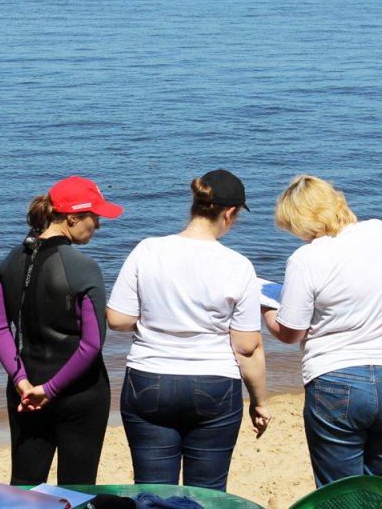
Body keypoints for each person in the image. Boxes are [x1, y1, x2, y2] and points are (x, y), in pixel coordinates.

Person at [106, 169, 270, 492]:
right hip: (215, 384)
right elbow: (247, 346)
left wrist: (154, 320)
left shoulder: (147, 250)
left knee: (153, 493)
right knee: (206, 493)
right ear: (229, 213)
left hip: (148, 378)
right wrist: (259, 401)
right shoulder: (238, 266)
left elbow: (117, 319)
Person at [263, 175, 382, 509]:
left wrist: (266, 309)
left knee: (342, 492)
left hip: (337, 378)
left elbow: (291, 333)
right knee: (381, 486)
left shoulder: (306, 259)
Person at [0, 175, 123, 485]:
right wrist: (49, 391)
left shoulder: (10, 261)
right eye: (95, 217)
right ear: (73, 217)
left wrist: (22, 381)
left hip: (24, 394)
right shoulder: (84, 267)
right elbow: (91, 345)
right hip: (79, 394)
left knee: (23, 487)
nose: (98, 226)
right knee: (76, 489)